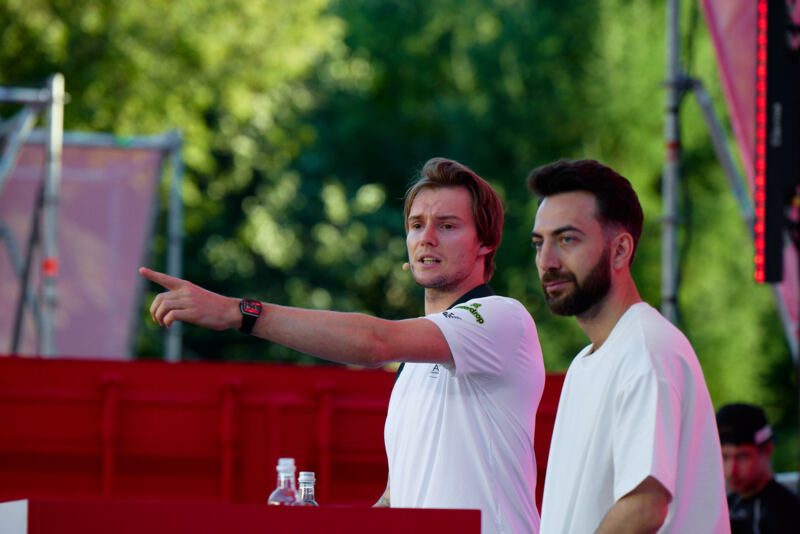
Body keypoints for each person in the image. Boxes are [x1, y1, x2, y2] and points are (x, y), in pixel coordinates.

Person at [141, 157, 545, 534]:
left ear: (485, 242)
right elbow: (396, 500)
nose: (427, 238)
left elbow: (375, 342)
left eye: (448, 225)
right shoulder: (413, 366)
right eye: (417, 224)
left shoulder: (501, 317)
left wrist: (239, 312)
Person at [527, 159, 730, 533]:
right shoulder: (588, 360)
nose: (547, 261)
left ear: (620, 250)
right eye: (539, 243)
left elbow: (644, 506)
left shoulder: (647, 351)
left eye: (567, 239)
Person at [717, 402, 800, 534]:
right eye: (725, 456)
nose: (731, 470)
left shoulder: (787, 514)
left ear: (767, 449)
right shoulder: (727, 506)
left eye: (742, 456)